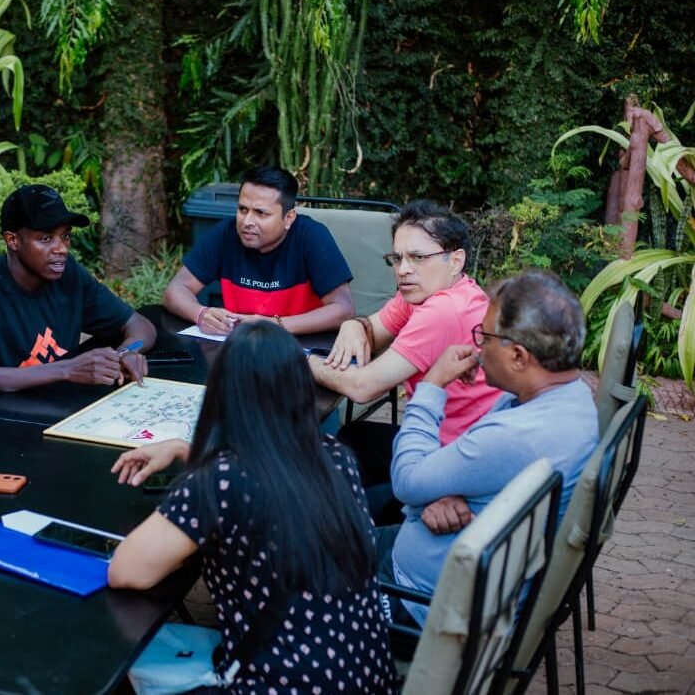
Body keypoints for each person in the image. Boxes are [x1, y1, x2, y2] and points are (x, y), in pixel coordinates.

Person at [107, 321, 399, 694]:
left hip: (279, 684)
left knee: (126, 669)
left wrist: (202, 468)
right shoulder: (337, 458)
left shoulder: (223, 480)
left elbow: (127, 571)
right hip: (366, 677)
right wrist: (189, 450)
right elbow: (274, 479)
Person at [376, 270, 599, 631]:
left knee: (296, 563)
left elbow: (406, 480)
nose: (477, 347)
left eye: (486, 337)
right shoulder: (572, 398)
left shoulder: (514, 435)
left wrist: (433, 383)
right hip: (457, 577)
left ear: (519, 357)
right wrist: (428, 499)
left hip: (419, 605)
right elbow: (443, 478)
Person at [309, 199, 503, 523]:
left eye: (417, 257)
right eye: (397, 258)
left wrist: (304, 364)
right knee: (351, 439)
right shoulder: (422, 292)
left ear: (455, 261)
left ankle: (347, 538)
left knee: (330, 454)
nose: (403, 269)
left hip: (456, 457)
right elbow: (375, 329)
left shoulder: (443, 310)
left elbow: (362, 387)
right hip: (449, 436)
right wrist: (354, 324)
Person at [0, 184, 155, 391]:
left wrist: (125, 353)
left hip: (63, 404)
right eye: (46, 238)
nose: (62, 248)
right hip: (8, 413)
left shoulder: (68, 273)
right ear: (12, 240)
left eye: (65, 236)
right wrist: (66, 370)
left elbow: (140, 325)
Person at [163, 166, 354, 335]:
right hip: (240, 348)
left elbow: (343, 309)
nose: (247, 222)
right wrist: (201, 314)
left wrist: (274, 326)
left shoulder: (312, 237)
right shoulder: (226, 233)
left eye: (261, 213)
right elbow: (176, 290)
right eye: (243, 209)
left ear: (288, 218)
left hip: (298, 349)